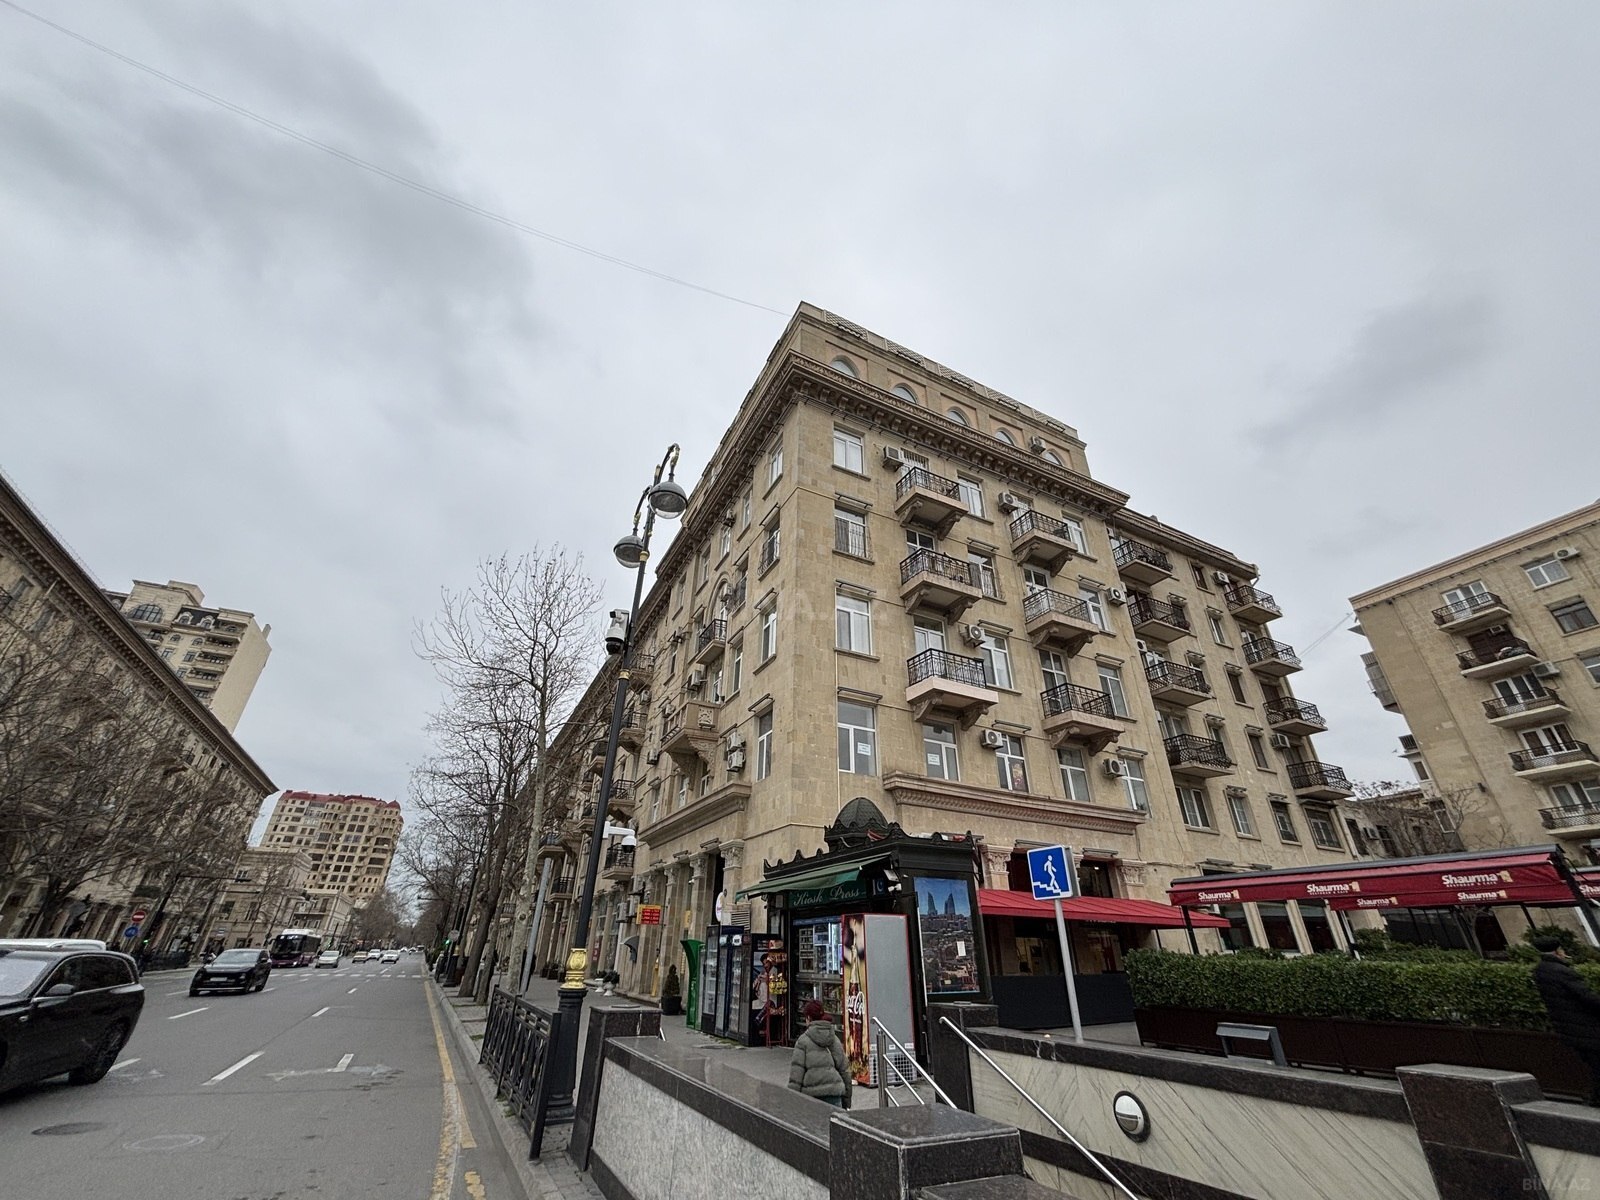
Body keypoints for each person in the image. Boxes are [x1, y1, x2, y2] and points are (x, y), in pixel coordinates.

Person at [1531, 935, 1600, 1106]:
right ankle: (1595, 1098)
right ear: (1558, 951)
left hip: (1568, 1027)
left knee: (1594, 1063)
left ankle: (1595, 1097)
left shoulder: (1540, 970)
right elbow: (1585, 996)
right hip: (1584, 1026)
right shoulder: (1561, 971)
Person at [788, 999, 852, 1108]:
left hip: (812, 1096)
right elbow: (844, 1071)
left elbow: (796, 1076)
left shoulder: (803, 1041)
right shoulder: (834, 1039)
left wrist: (792, 1102)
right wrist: (846, 1101)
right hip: (834, 1094)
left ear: (808, 1018)